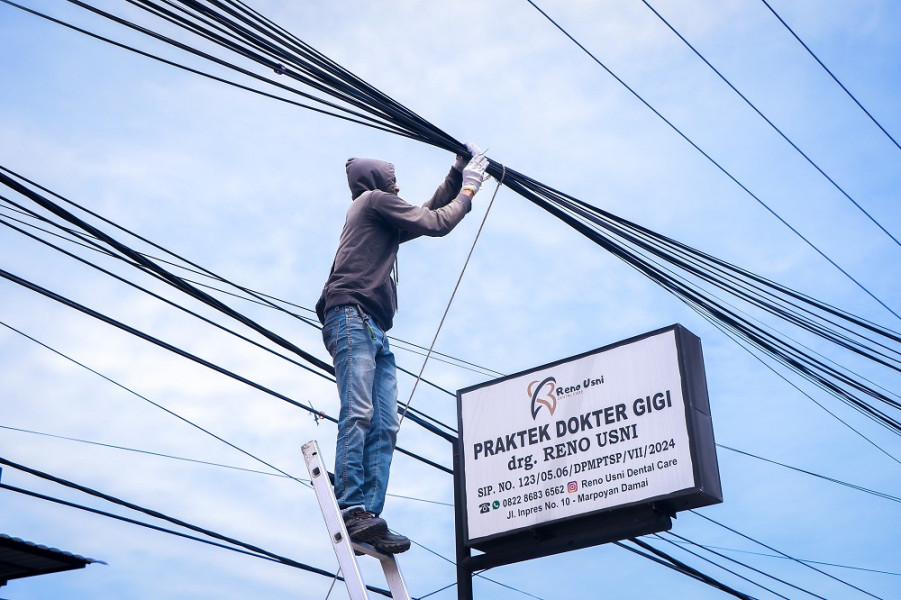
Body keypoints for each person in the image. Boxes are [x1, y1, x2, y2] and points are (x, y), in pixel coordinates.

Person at [315, 144, 489, 554]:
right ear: (377, 184)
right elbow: (436, 222)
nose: (399, 187)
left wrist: (456, 172)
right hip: (350, 316)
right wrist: (469, 191)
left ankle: (367, 517)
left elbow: (425, 211)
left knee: (386, 424)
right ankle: (353, 507)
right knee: (358, 411)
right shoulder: (372, 202)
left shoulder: (380, 214)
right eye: (393, 180)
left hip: (372, 326)